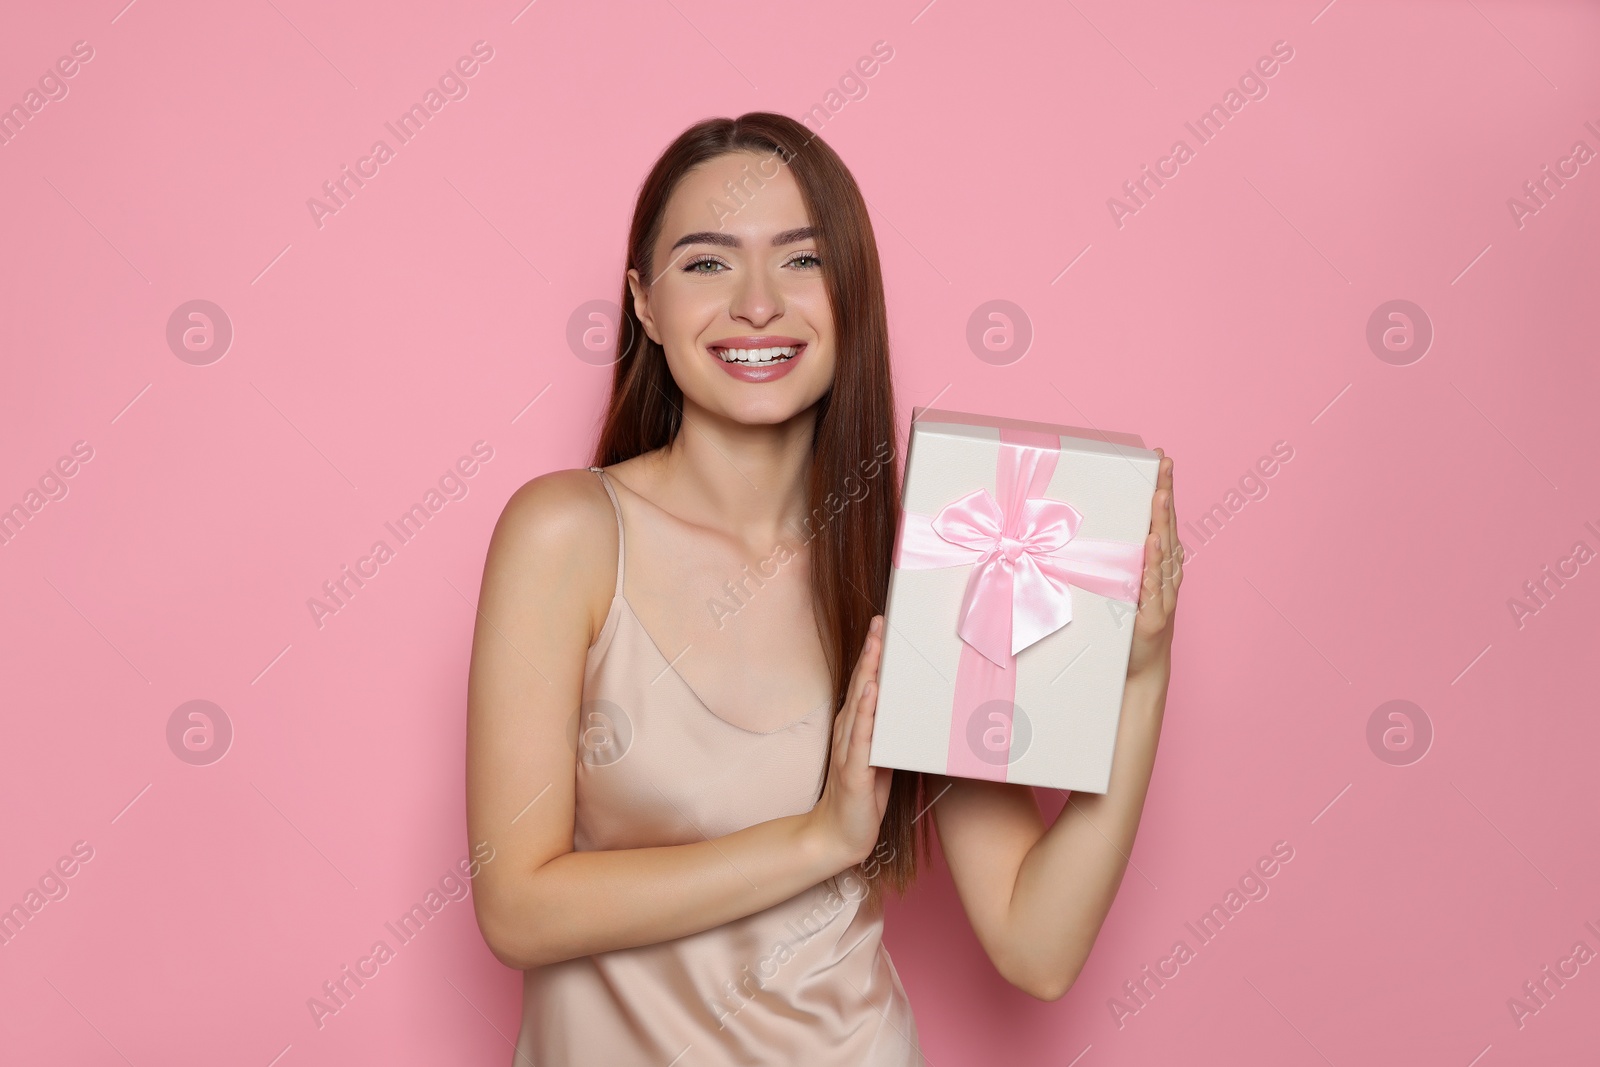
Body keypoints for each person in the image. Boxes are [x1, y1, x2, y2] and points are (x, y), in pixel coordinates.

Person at [464, 112, 1183, 1066]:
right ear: (644, 302)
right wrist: (819, 840)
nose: (758, 304)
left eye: (801, 261)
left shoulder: (925, 564)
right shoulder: (567, 535)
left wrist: (1137, 677)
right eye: (708, 264)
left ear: (852, 293)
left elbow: (1035, 942)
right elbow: (515, 905)